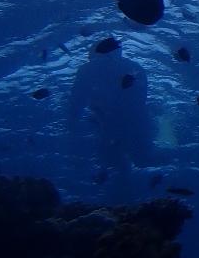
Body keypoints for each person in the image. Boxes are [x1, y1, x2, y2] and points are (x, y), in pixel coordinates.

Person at [66, 39, 156, 189]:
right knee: (141, 161)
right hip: (135, 121)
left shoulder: (88, 69)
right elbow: (142, 98)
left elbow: (77, 99)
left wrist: (71, 121)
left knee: (117, 164)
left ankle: (127, 193)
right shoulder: (134, 66)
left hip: (110, 123)